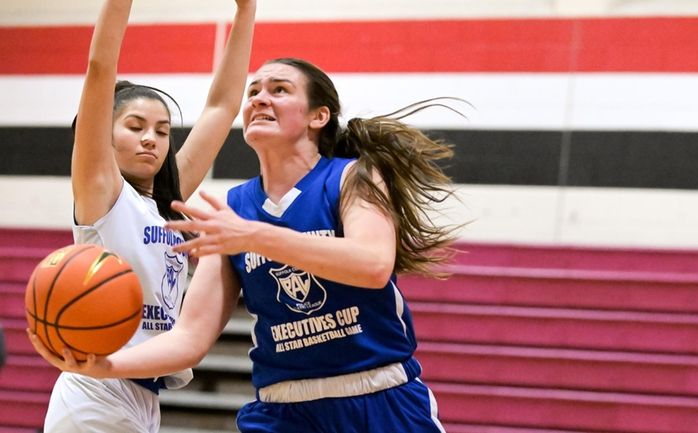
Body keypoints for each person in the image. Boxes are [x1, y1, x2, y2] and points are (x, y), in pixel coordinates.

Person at [31, 57, 463, 433]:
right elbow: (191, 337)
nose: (258, 98)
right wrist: (105, 366)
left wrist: (254, 236)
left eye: (279, 90)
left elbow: (371, 265)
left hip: (378, 395)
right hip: (283, 408)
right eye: (254, 91)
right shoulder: (234, 208)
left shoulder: (352, 177)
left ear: (318, 116)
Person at [31, 0, 256, 431]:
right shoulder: (103, 193)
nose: (151, 139)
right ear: (104, 134)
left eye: (162, 130)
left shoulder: (168, 203)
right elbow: (100, 67)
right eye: (135, 127)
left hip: (144, 394)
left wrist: (246, 10)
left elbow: (222, 107)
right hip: (94, 390)